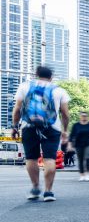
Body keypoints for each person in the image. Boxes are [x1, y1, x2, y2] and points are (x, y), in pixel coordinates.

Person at [12, 66, 70, 202]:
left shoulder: (24, 87)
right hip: (52, 128)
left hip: (28, 127)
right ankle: (48, 192)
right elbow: (66, 114)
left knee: (31, 158)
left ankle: (35, 187)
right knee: (49, 159)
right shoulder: (59, 90)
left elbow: (17, 110)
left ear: (36, 74)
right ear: (51, 77)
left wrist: (15, 127)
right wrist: (65, 130)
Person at [69, 112, 89, 182]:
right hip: (78, 144)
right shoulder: (76, 125)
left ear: (87, 117)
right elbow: (71, 136)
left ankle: (87, 174)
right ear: (80, 117)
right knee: (80, 160)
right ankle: (82, 175)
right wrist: (69, 145)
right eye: (82, 116)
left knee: (87, 158)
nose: (84, 117)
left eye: (85, 116)